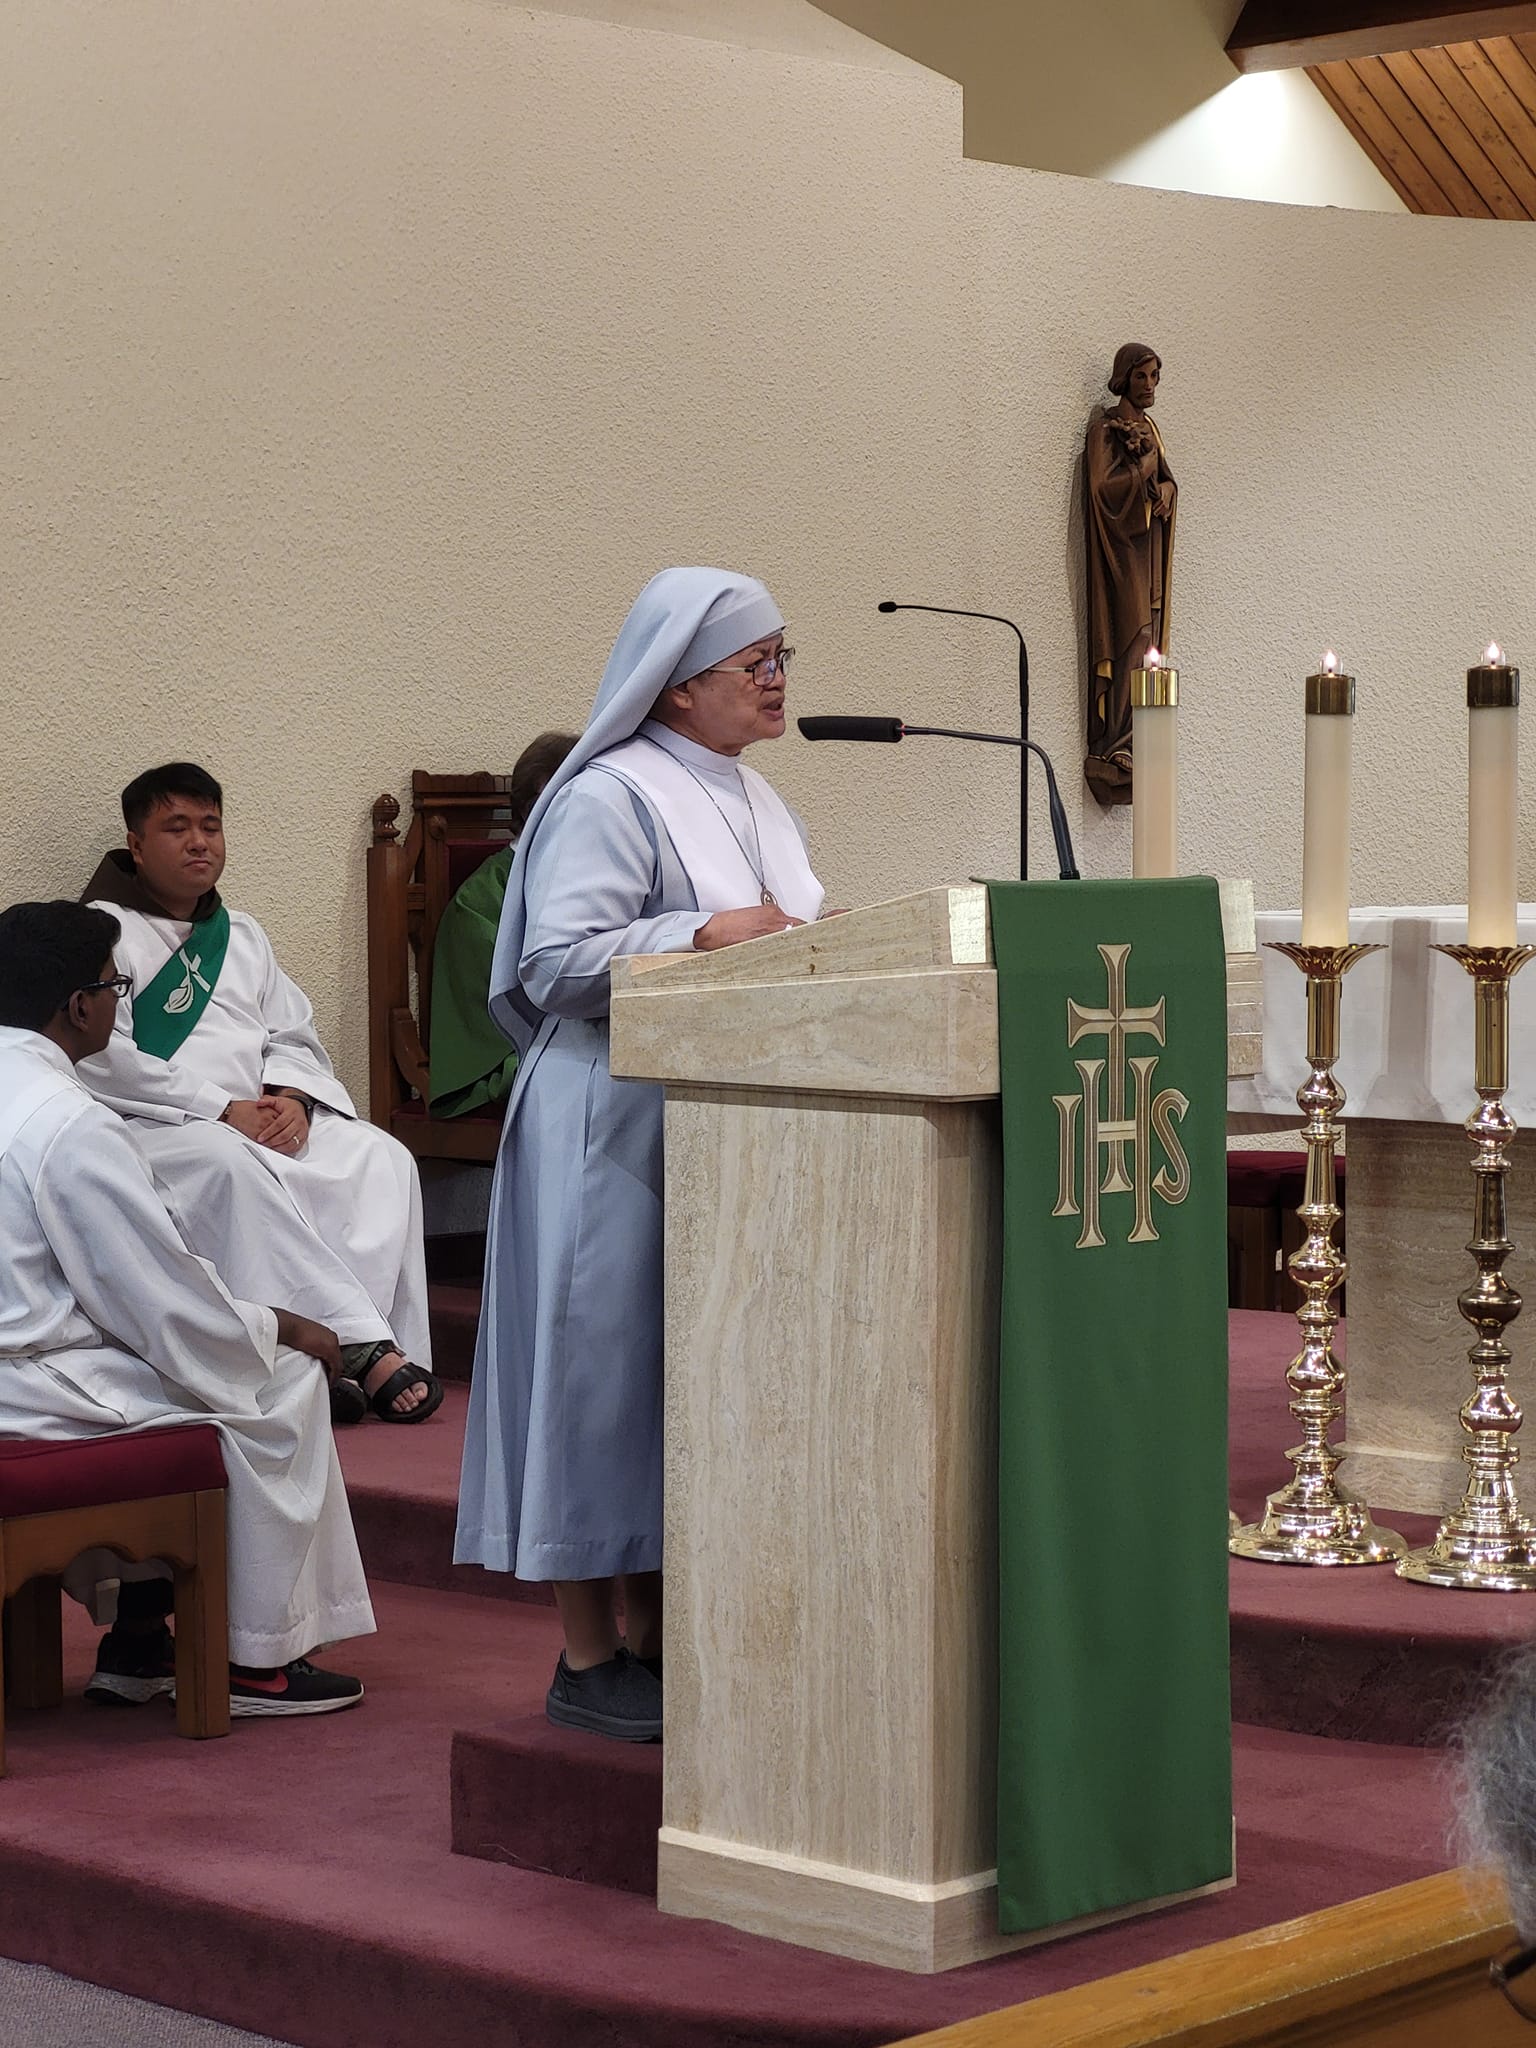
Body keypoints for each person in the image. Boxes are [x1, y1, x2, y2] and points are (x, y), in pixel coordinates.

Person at [455, 567, 823, 1741]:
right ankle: (583, 1652)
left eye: (781, 655)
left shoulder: (759, 799)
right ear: (674, 687)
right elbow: (558, 960)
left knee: (680, 1379)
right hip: (606, 1120)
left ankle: (664, 1638)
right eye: (751, 660)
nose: (775, 677)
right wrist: (701, 933)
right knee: (596, 1377)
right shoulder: (609, 793)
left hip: (723, 1118)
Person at [0, 900, 372, 1714]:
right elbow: (164, 1305)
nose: (116, 1003)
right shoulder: (68, 1123)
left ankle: (137, 1643)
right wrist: (286, 1327)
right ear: (79, 1006)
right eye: (115, 987)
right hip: (33, 1386)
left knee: (188, 1365)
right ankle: (253, 1659)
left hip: (30, 1366)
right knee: (273, 1388)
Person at [81, 764, 442, 1426]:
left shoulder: (242, 935)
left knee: (379, 1158)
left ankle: (372, 1352)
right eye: (177, 827)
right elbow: (103, 1053)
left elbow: (291, 1035)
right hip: (164, 1126)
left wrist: (295, 1101)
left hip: (262, 1115)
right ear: (135, 845)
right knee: (229, 1165)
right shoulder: (101, 930)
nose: (199, 843)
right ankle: (354, 1349)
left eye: (211, 826)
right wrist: (222, 1109)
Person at [428, 730, 579, 1120]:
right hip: (517, 1054)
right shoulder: (480, 900)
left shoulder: (596, 877)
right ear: (533, 808)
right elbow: (513, 1004)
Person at [1083, 341, 1177, 806]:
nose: (1150, 385)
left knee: (1148, 640)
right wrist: (1142, 474)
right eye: (1142, 376)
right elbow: (1104, 491)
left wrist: (1163, 490)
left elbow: (1165, 479)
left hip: (1147, 550)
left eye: (1156, 376)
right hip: (1119, 552)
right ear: (1124, 377)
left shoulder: (1150, 429)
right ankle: (1115, 740)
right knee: (1132, 636)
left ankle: (1132, 740)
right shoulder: (1104, 431)